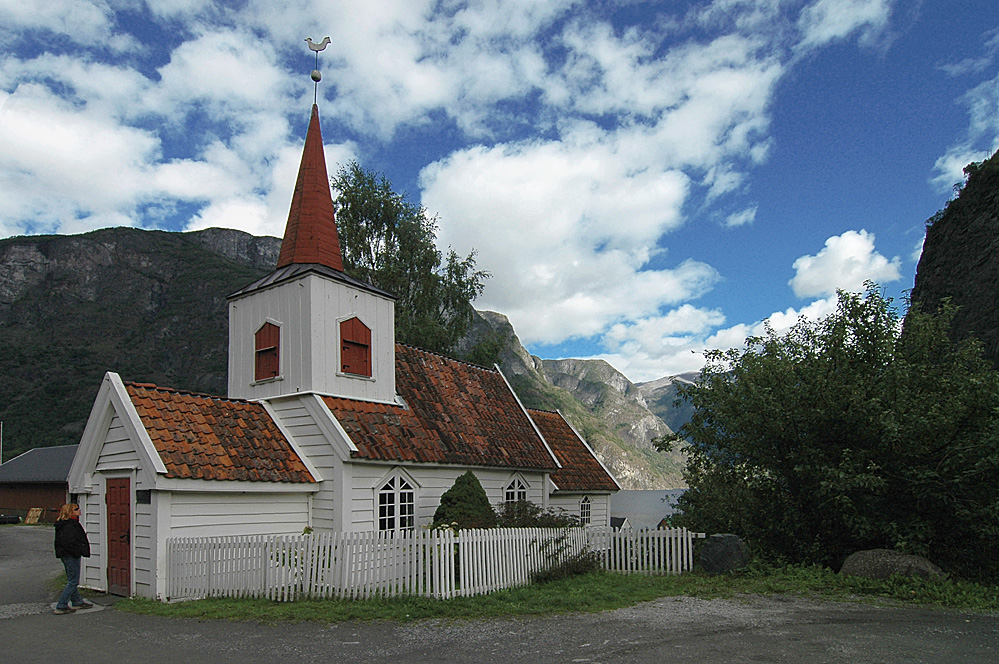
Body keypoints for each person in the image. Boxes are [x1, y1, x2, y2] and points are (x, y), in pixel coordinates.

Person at [53, 503, 93, 614]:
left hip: (66, 554)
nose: (79, 510)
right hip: (70, 555)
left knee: (72, 578)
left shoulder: (64, 524)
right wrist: (77, 551)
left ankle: (77, 601)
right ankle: (61, 605)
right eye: (76, 509)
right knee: (73, 581)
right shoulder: (70, 525)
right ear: (70, 512)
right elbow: (69, 542)